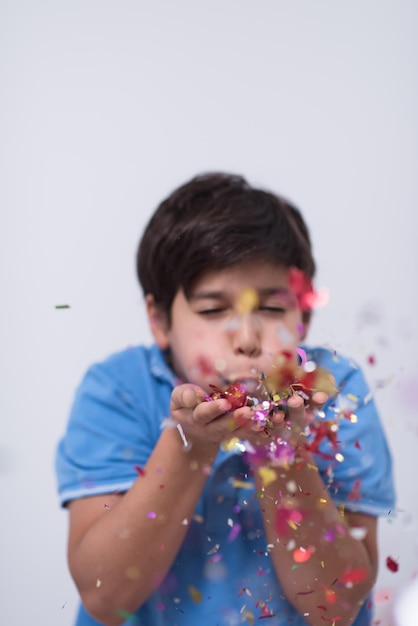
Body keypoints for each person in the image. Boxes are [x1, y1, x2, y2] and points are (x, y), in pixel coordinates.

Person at [56, 172, 395, 626]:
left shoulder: (333, 391)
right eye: (214, 310)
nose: (248, 339)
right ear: (159, 319)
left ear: (304, 314)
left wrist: (284, 453)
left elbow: (333, 608)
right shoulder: (117, 391)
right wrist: (189, 443)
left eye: (272, 308)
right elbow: (106, 597)